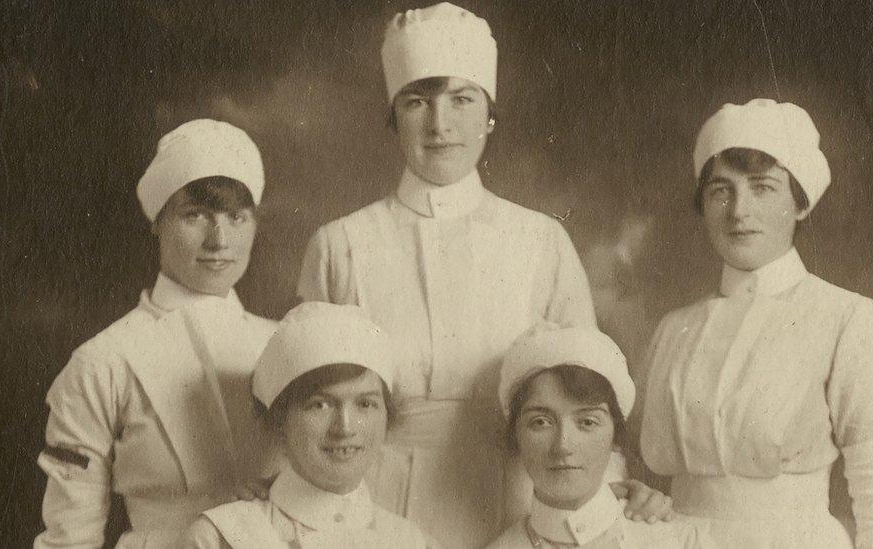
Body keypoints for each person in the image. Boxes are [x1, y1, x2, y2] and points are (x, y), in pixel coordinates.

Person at [297, 3, 668, 545]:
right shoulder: (341, 243)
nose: (440, 125)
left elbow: (585, 385)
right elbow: (304, 393)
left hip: (515, 498)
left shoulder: (540, 240)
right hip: (370, 499)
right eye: (417, 101)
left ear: (489, 116)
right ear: (393, 115)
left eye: (462, 100)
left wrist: (607, 483)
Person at [637, 98, 873, 547]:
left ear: (800, 203)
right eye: (721, 190)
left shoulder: (850, 321)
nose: (738, 211)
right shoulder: (673, 330)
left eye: (763, 188)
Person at [35, 119, 281, 548]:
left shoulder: (282, 345)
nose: (219, 240)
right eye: (195, 216)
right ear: (156, 221)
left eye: (236, 217)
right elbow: (70, 534)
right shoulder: (103, 362)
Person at [180, 302, 434, 548]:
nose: (345, 428)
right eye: (319, 405)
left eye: (365, 404)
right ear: (279, 420)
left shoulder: (413, 542)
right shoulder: (219, 538)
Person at [488, 323, 708, 548]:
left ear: (615, 436)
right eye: (541, 422)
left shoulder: (680, 542)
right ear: (516, 434)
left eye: (587, 422)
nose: (563, 446)